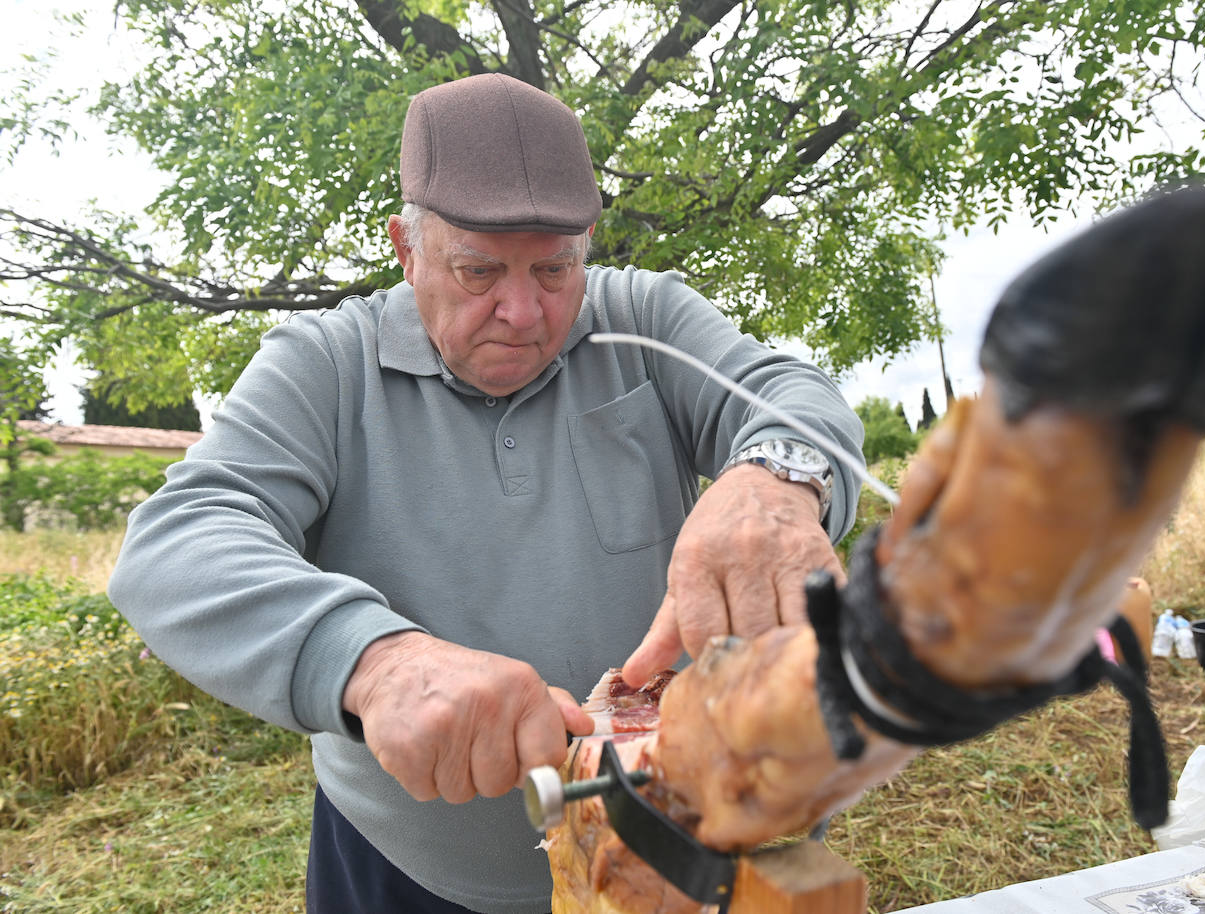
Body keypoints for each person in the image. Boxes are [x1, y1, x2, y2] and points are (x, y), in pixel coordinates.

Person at [108, 73, 865, 914]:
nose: (523, 311)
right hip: (405, 869)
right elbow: (177, 541)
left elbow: (790, 392)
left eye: (555, 268)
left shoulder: (641, 320)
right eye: (478, 271)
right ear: (406, 248)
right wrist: (374, 662)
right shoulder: (324, 364)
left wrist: (777, 478)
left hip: (671, 841)